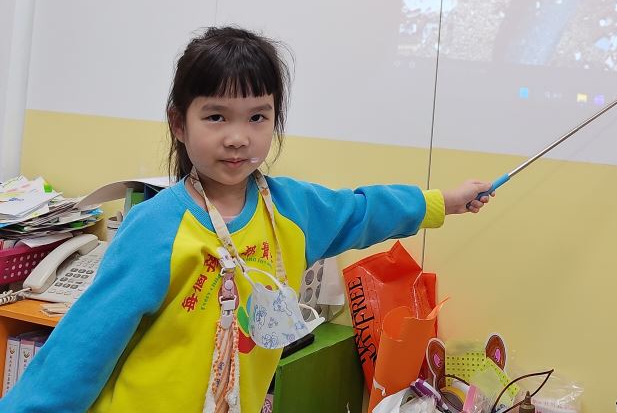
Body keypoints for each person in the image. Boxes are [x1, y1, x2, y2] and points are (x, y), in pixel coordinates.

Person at [2, 26, 492, 412]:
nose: (238, 137)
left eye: (258, 117)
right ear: (178, 123)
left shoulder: (292, 211)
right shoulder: (155, 228)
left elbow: (364, 211)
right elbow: (81, 347)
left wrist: (442, 202)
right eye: (216, 117)